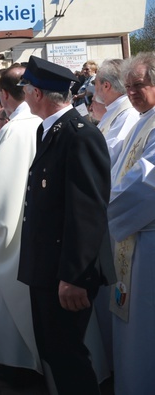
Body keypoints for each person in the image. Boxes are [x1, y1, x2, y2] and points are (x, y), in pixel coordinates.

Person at [17, 56, 114, 395]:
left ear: (38, 94)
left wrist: (73, 276)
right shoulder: (53, 131)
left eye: (27, 90)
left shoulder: (79, 135)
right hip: (47, 269)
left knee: (68, 358)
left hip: (65, 273)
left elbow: (87, 213)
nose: (25, 95)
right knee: (54, 355)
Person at [0, 64, 44, 380]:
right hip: (38, 228)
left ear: (2, 94)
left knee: (14, 300)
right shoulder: (43, 121)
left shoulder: (15, 128)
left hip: (14, 231)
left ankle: (16, 363)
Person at [107, 52, 155, 395]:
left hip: (149, 241)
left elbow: (146, 183)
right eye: (128, 87)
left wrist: (102, 210)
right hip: (132, 237)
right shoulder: (143, 121)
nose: (132, 93)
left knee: (145, 330)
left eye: (139, 85)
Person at [94, 58, 140, 163]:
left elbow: (110, 153)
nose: (94, 88)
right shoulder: (113, 110)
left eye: (95, 83)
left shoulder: (128, 114)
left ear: (106, 86)